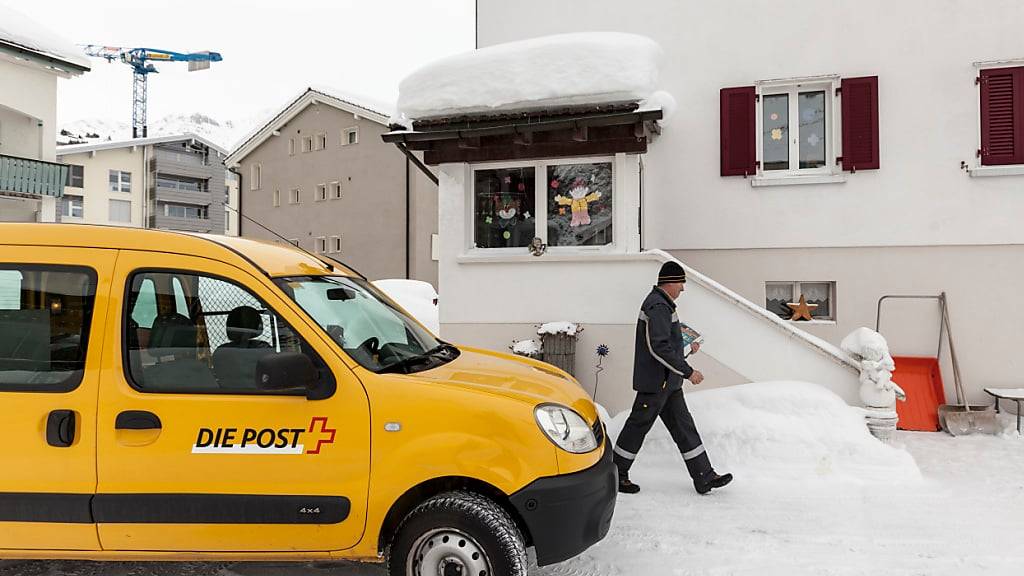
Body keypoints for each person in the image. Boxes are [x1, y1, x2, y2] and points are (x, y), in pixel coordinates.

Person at [613, 261, 733, 495]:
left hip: (668, 383)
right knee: (637, 427)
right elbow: (658, 347)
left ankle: (704, 476)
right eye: (681, 283)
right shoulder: (657, 306)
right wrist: (689, 372)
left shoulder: (663, 304)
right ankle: (615, 475)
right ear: (670, 282)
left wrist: (686, 345)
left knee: (684, 428)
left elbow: (667, 342)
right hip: (658, 383)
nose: (682, 289)